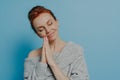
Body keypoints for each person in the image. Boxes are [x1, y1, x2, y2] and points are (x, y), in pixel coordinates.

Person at [24, 5, 89, 80]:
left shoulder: (75, 51)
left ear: (57, 22)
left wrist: (51, 62)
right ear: (38, 34)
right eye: (41, 29)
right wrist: (43, 61)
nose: (48, 30)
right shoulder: (32, 56)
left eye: (50, 23)